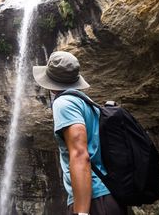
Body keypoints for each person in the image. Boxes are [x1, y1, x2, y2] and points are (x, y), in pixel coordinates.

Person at [32, 51, 127, 215]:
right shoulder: (86, 102)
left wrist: (82, 212)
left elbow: (80, 154)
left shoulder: (64, 103)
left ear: (51, 81)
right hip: (110, 195)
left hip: (94, 200)